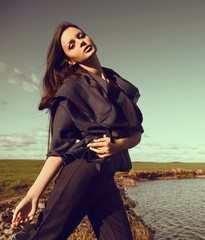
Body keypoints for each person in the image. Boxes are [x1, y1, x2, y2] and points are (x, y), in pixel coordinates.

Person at [11, 22, 143, 240]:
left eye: (81, 36)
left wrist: (117, 145)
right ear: (70, 59)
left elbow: (136, 134)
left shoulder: (117, 83)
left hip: (105, 177)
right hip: (82, 172)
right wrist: (32, 194)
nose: (81, 42)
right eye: (72, 44)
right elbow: (58, 150)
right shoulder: (71, 89)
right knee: (46, 236)